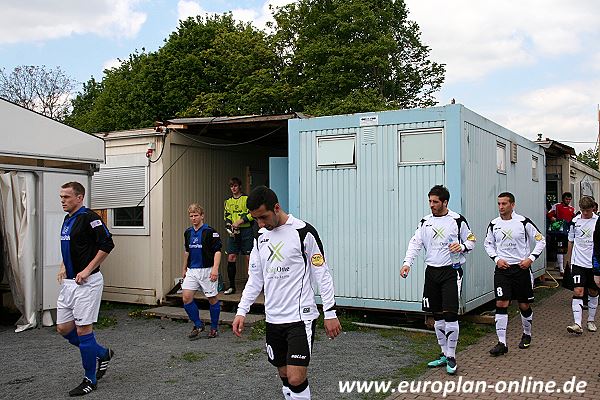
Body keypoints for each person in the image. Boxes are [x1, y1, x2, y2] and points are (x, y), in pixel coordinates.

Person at [232, 186, 341, 400]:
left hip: (300, 317)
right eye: (256, 219)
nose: (261, 224)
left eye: (263, 217)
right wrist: (241, 311)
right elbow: (255, 279)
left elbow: (322, 274)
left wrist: (330, 312)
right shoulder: (259, 237)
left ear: (277, 207)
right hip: (273, 319)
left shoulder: (303, 232)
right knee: (283, 374)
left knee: (295, 377)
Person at [400, 185, 476, 375]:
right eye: (430, 201)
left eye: (435, 202)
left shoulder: (457, 220)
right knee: (437, 316)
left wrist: (462, 246)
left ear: (445, 202)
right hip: (431, 272)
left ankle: (451, 356)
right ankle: (443, 353)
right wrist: (407, 263)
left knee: (450, 314)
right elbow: (415, 243)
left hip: (451, 272)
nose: (432, 205)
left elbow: (472, 240)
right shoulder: (425, 221)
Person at [55, 182, 115, 397]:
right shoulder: (67, 218)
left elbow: (107, 244)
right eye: (61, 197)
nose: (62, 200)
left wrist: (89, 269)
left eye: (67, 197)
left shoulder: (90, 217)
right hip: (70, 283)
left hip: (87, 283)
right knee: (63, 328)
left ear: (79, 197)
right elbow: (70, 246)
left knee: (83, 330)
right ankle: (101, 353)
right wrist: (63, 266)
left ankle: (90, 379)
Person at [484, 192, 546, 356]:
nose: (501, 207)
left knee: (523, 305)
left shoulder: (523, 222)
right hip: (503, 271)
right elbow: (488, 244)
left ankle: (527, 333)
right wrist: (497, 259)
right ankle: (502, 343)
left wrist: (530, 259)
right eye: (499, 204)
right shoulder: (494, 224)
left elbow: (541, 240)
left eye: (504, 204)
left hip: (521, 270)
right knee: (501, 303)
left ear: (512, 205)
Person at [182, 203, 222, 339]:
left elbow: (217, 251)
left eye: (196, 215)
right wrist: (184, 268)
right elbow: (187, 251)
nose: (193, 218)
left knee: (212, 299)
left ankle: (214, 328)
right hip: (192, 270)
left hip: (207, 270)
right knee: (186, 298)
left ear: (202, 216)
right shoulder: (187, 232)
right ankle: (198, 324)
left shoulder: (210, 232)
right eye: (191, 216)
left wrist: (215, 269)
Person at [566, 196, 599, 334]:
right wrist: (568, 260)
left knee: (593, 292)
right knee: (578, 291)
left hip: (593, 263)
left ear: (593, 208)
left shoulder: (597, 221)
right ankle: (577, 324)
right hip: (578, 262)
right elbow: (570, 241)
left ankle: (590, 320)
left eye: (588, 210)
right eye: (583, 210)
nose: (585, 213)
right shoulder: (575, 221)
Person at [223, 177, 254, 294]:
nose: (233, 188)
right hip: (234, 232)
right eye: (231, 186)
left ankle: (251, 286)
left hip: (246, 231)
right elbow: (227, 216)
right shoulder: (228, 201)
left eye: (235, 186)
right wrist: (229, 224)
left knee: (249, 258)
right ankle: (232, 286)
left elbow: (252, 214)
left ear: (239, 186)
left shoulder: (247, 199)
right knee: (231, 257)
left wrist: (240, 221)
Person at [547, 192, 575, 275]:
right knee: (560, 249)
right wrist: (552, 218)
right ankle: (561, 269)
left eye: (569, 199)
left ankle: (561, 265)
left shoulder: (572, 209)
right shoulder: (557, 206)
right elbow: (549, 214)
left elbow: (574, 218)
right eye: (566, 199)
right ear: (563, 198)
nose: (568, 201)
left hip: (568, 232)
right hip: (559, 232)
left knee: (566, 249)